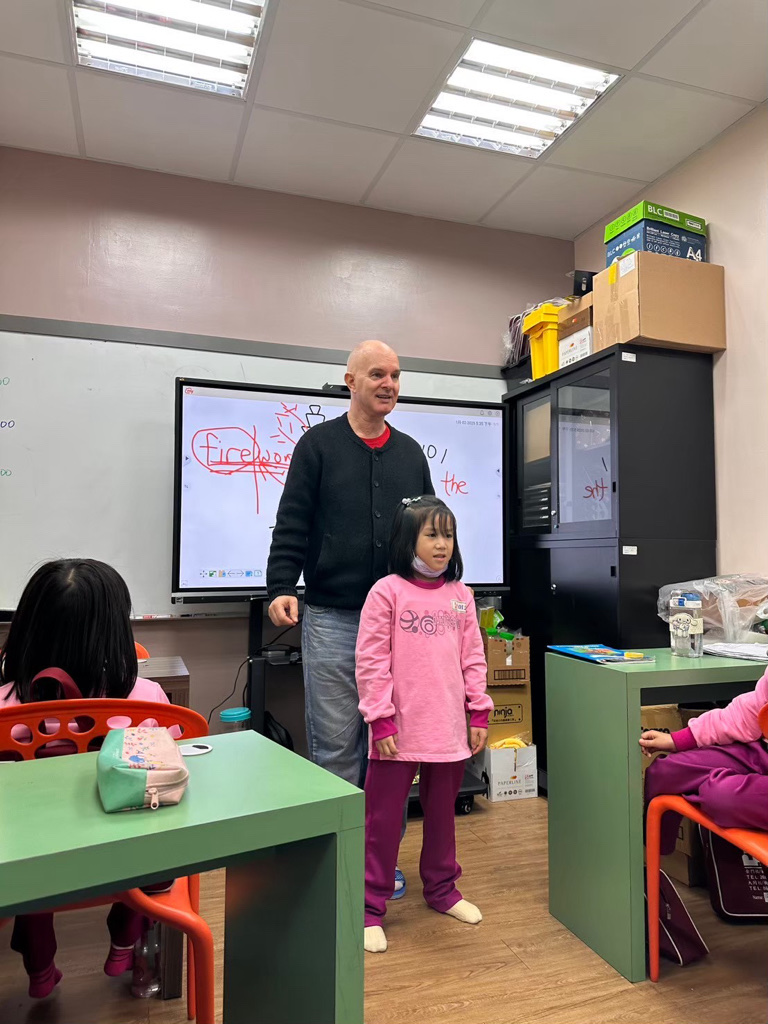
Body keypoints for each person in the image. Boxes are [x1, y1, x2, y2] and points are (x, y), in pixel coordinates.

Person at [0, 558, 175, 999]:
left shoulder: (4, 706)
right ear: (116, 632)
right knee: (148, 834)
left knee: (28, 855)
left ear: (26, 628)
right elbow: (172, 766)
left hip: (25, 861)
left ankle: (40, 969)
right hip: (123, 857)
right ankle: (125, 941)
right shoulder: (147, 700)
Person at [267, 340, 433, 788]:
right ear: (351, 382)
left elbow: (430, 531)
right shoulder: (318, 446)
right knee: (336, 745)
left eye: (395, 375)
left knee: (393, 746)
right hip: (332, 619)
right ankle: (344, 838)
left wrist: (444, 589)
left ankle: (380, 839)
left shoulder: (410, 453)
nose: (389, 384)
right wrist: (281, 585)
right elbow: (292, 522)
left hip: (400, 621)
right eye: (378, 374)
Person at [355, 495, 492, 953]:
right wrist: (381, 719)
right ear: (406, 539)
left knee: (442, 816)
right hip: (396, 733)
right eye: (431, 534)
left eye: (448, 535)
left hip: (448, 729)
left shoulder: (461, 596)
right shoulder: (386, 592)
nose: (441, 545)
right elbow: (371, 662)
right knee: (381, 820)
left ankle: (442, 890)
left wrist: (478, 711)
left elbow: (473, 658)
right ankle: (369, 907)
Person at [641, 670, 768, 854]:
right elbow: (748, 711)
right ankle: (654, 860)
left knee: (721, 796)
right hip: (761, 751)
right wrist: (679, 740)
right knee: (666, 772)